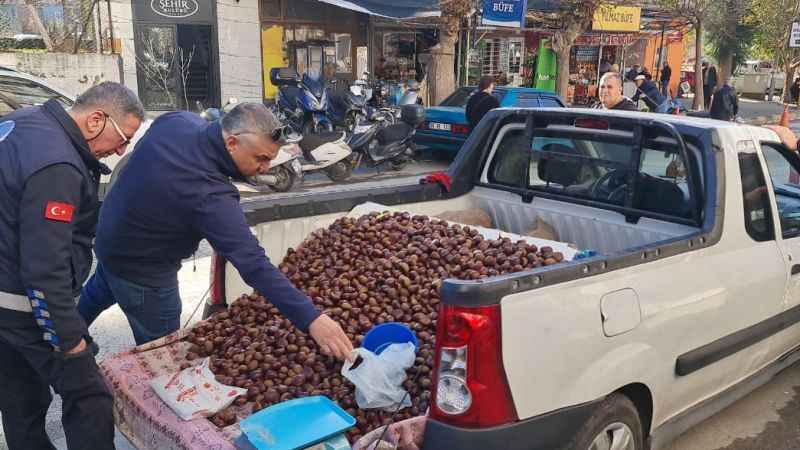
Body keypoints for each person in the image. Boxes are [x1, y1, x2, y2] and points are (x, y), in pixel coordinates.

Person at [78, 103, 355, 361]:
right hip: (146, 277)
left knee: (86, 305)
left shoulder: (177, 121)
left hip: (109, 245)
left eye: (270, 160)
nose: (266, 168)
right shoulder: (210, 195)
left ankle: (61, 340)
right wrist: (312, 319)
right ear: (232, 142)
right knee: (162, 358)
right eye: (260, 158)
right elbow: (254, 266)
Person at [0, 82, 144, 450]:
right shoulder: (58, 165)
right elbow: (45, 267)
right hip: (22, 305)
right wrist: (69, 339)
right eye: (122, 138)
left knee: (21, 398)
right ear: (97, 118)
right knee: (90, 397)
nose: (120, 150)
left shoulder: (22, 122)